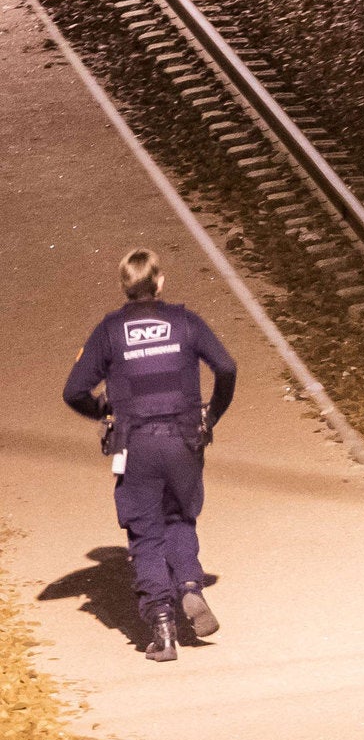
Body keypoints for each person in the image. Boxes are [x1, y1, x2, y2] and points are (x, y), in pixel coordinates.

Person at [63, 249, 237, 663]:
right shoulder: (184, 321)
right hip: (183, 442)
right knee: (179, 517)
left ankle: (162, 626)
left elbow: (73, 391)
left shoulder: (110, 330)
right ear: (160, 282)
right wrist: (211, 415)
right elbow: (227, 368)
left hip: (135, 446)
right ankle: (191, 588)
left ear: (126, 286)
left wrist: (104, 409)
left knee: (144, 533)